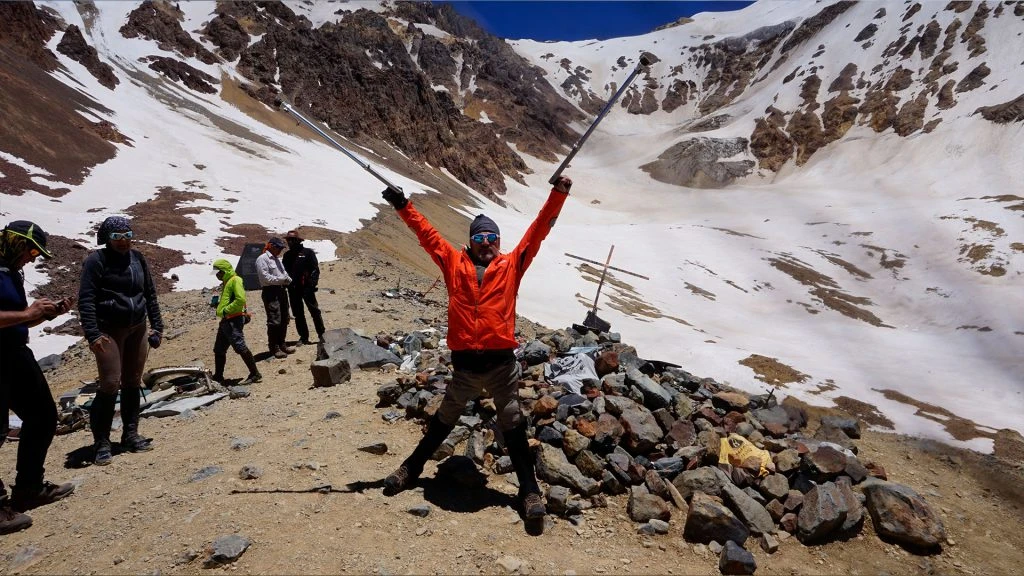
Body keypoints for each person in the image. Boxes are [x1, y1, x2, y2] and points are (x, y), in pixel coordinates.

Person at [379, 176, 573, 520]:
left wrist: (558, 194)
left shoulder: (512, 264)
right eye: (479, 237)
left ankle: (529, 492)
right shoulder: (454, 263)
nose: (486, 242)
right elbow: (428, 236)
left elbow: (540, 228)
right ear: (471, 241)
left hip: (501, 366)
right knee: (444, 419)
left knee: (512, 421)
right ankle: (411, 469)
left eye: (491, 237)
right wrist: (403, 205)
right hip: (466, 365)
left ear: (499, 241)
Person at [0, 220, 75, 533]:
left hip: (15, 352)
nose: (32, 257)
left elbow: (14, 319)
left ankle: (28, 487)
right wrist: (28, 314)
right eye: (31, 250)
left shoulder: (10, 272)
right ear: (16, 243)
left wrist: (45, 314)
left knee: (43, 416)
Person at [78, 216, 164, 466]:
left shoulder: (137, 258)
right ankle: (102, 442)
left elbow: (149, 292)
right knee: (110, 383)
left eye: (128, 235)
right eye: (117, 237)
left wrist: (157, 326)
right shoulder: (96, 260)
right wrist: (92, 333)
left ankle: (130, 434)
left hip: (137, 326)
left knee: (132, 381)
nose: (124, 241)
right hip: (108, 330)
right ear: (107, 238)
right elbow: (86, 298)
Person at [211, 259, 261, 384]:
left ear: (224, 271)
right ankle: (218, 376)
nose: (217, 275)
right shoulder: (227, 281)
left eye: (218, 272)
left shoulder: (235, 280)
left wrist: (225, 310)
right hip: (227, 319)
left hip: (233, 319)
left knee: (239, 346)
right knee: (219, 349)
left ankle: (255, 373)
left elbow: (240, 299)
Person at [282, 230, 325, 345]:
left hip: (307, 288)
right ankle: (303, 337)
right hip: (293, 289)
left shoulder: (307, 253)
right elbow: (284, 271)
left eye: (292, 240)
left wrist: (312, 284)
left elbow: (315, 269)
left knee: (314, 311)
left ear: (297, 240)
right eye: (288, 240)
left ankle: (322, 335)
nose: (290, 242)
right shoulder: (287, 255)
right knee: (298, 313)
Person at [255, 237, 294, 359]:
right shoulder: (262, 259)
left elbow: (283, 273)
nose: (279, 251)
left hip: (281, 290)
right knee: (274, 320)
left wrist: (287, 279)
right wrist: (281, 280)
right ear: (271, 246)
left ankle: (282, 343)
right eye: (278, 248)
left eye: (281, 248)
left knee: (284, 318)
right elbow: (265, 277)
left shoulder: (277, 259)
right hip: (270, 291)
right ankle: (274, 347)